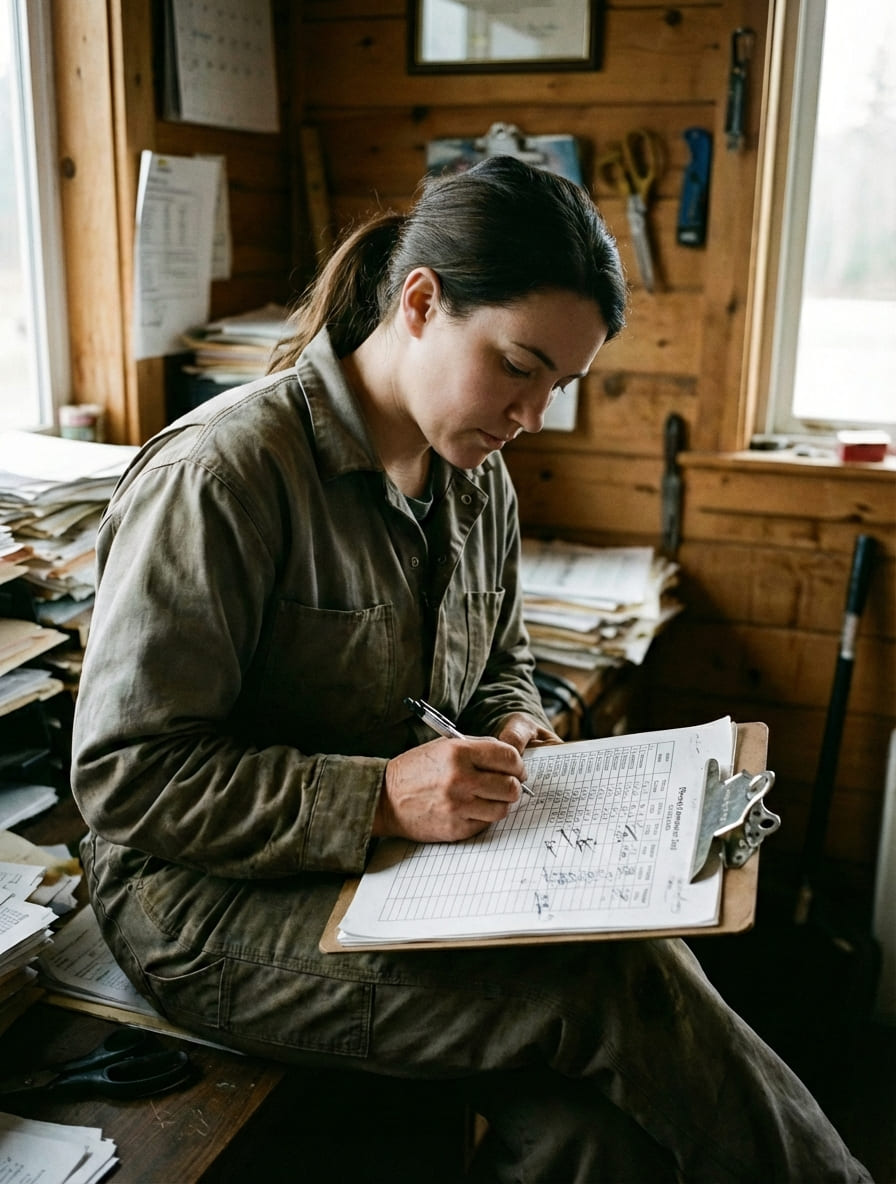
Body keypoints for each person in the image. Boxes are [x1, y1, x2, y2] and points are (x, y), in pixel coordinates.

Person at [71, 156, 872, 1183]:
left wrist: (520, 724)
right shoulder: (223, 475)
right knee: (614, 985)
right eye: (516, 365)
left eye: (558, 385)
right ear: (418, 302)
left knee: (595, 1137)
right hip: (202, 911)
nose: (530, 414)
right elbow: (127, 777)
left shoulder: (475, 475)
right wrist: (379, 795)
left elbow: (500, 665)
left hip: (399, 875)